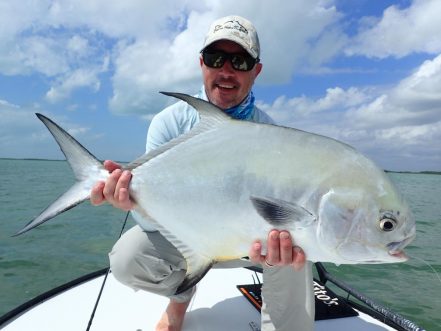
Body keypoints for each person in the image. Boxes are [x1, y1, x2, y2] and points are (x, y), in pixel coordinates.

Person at [90, 15, 314, 331]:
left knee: (296, 251)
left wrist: (280, 244)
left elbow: (281, 210)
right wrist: (134, 202)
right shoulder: (169, 124)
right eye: (215, 58)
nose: (226, 70)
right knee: (127, 259)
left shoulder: (270, 133)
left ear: (256, 71)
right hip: (188, 238)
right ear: (202, 64)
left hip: (248, 242)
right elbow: (151, 224)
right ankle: (180, 300)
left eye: (239, 61)